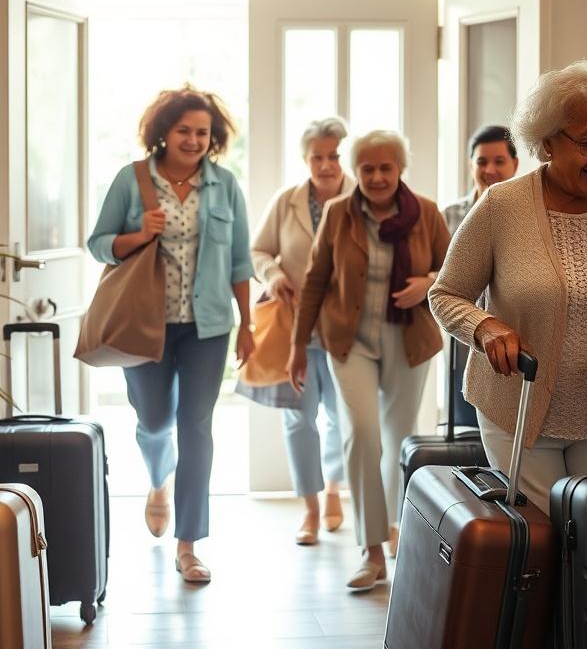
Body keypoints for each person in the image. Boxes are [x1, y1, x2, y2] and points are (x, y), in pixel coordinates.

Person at [429, 60, 587, 514]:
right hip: (520, 408)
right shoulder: (501, 207)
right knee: (544, 543)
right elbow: (446, 294)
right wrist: (486, 327)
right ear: (547, 142)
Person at [88, 85, 254, 584]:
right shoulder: (132, 179)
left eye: (203, 132)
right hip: (145, 325)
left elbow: (240, 262)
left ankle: (189, 544)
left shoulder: (224, 187)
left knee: (197, 427)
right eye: (184, 130)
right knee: (155, 420)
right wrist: (139, 235)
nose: (194, 140)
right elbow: (98, 244)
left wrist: (248, 325)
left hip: (207, 328)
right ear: (163, 130)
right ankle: (158, 481)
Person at [290, 129, 451, 591]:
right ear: (355, 171)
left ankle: (398, 528)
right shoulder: (340, 213)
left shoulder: (427, 213)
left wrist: (428, 282)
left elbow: (456, 272)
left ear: (399, 169)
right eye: (367, 168)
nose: (377, 177)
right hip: (350, 340)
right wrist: (299, 346)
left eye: (385, 167)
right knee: (362, 435)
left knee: (397, 439)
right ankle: (371, 549)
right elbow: (316, 280)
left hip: (409, 339)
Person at [250, 117, 353, 546]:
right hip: (297, 328)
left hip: (345, 329)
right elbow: (259, 250)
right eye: (318, 157)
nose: (326, 165)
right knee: (299, 419)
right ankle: (310, 507)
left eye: (333, 156)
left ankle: (334, 489)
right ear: (305, 159)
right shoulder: (286, 201)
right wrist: (273, 275)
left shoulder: (359, 197)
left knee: (342, 418)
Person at [442, 124, 519, 236]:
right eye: (481, 162)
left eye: (499, 161)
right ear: (471, 166)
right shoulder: (449, 216)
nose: (489, 170)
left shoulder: (530, 214)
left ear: (515, 164)